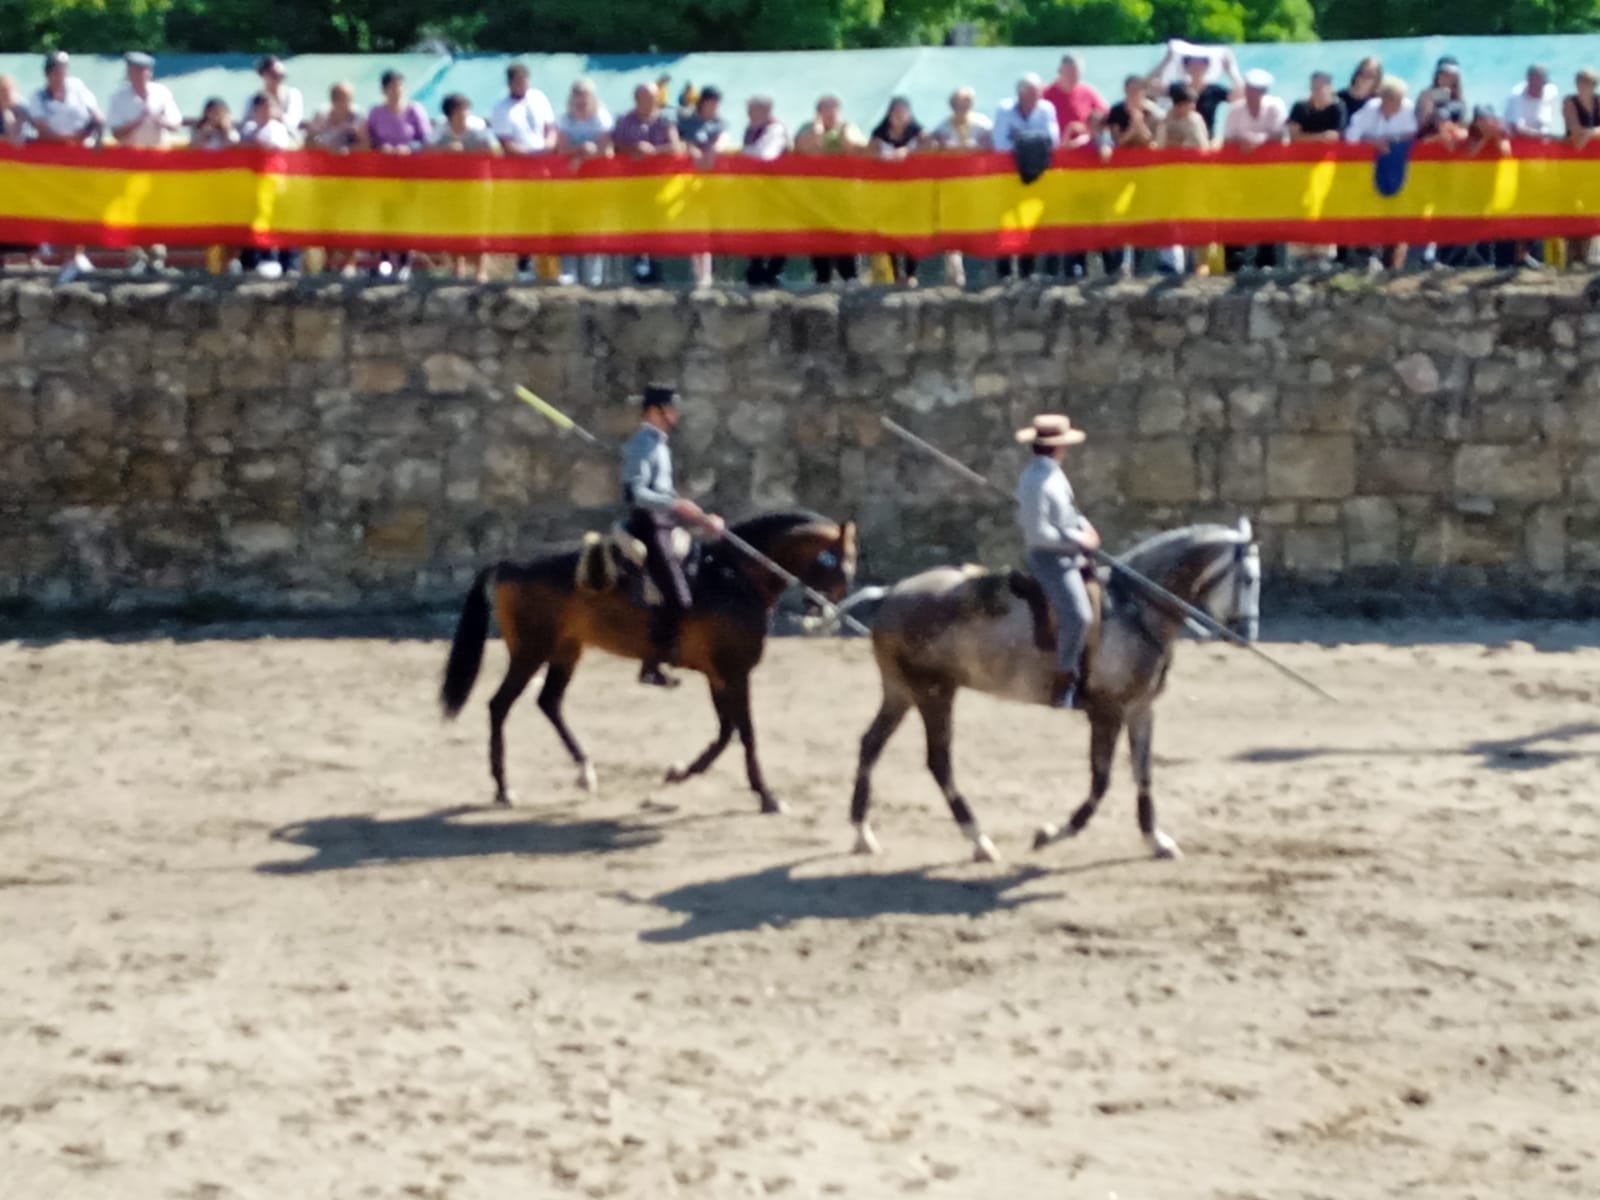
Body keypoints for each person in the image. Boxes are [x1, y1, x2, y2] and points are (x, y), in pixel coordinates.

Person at [620, 385, 725, 688]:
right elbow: (636, 493)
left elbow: (664, 494)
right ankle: (651, 666)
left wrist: (702, 518)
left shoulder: (659, 445)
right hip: (649, 525)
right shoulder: (642, 444)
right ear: (655, 411)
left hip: (665, 520)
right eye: (671, 408)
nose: (676, 415)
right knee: (678, 598)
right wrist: (675, 504)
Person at [1014, 414, 1099, 710]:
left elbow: (1070, 513)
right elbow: (1038, 533)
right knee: (1079, 616)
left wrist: (1085, 527)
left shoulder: (1053, 473)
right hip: (1049, 559)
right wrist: (1078, 540)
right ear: (1060, 446)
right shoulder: (1034, 479)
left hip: (1069, 553)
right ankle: (1064, 681)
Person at [31, 52, 103, 282]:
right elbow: (42, 130)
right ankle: (64, 259)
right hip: (53, 164)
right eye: (58, 69)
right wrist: (70, 141)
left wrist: (95, 135)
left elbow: (97, 116)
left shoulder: (78, 88)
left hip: (80, 160)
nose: (62, 74)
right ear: (48, 73)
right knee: (58, 208)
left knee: (79, 207)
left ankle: (78, 256)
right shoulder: (38, 97)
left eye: (65, 69)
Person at [493, 63, 557, 282]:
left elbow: (550, 127)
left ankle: (550, 268)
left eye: (525, 80)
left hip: (544, 166)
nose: (523, 84)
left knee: (547, 215)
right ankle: (524, 265)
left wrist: (548, 146)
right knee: (524, 217)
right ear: (510, 83)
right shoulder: (501, 108)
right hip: (520, 169)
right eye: (518, 80)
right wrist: (530, 157)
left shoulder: (539, 98)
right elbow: (505, 142)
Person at [613, 83, 681, 284]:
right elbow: (615, 144)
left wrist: (653, 150)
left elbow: (675, 147)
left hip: (658, 184)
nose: (650, 102)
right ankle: (639, 266)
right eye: (645, 98)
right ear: (636, 99)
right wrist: (633, 148)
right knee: (635, 224)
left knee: (657, 226)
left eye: (653, 97)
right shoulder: (625, 120)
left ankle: (656, 268)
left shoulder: (665, 119)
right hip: (632, 184)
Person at [795, 95, 866, 285]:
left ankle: (851, 276)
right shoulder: (806, 129)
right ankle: (822, 277)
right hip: (817, 194)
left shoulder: (847, 127)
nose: (831, 113)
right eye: (826, 109)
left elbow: (854, 147)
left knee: (845, 236)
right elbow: (805, 148)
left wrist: (842, 133)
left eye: (834, 108)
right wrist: (818, 131)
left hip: (843, 194)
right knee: (819, 237)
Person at [931, 87, 993, 287]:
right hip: (952, 188)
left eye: (966, 102)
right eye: (958, 103)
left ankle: (983, 275)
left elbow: (993, 148)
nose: (962, 106)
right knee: (952, 232)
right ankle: (955, 275)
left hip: (977, 187)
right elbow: (934, 150)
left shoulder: (983, 125)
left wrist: (962, 150)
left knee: (978, 229)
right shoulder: (942, 127)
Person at [555, 78, 614, 287]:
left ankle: (594, 276)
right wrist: (582, 152)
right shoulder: (564, 119)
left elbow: (605, 148)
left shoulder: (602, 118)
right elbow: (561, 148)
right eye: (577, 95)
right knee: (569, 226)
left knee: (594, 227)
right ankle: (568, 272)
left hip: (595, 183)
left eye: (585, 96)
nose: (581, 100)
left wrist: (581, 154)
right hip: (570, 183)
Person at [869, 96, 926, 286]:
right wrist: (884, 159)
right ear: (889, 114)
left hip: (912, 191)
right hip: (887, 192)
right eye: (896, 112)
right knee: (890, 234)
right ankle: (895, 273)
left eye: (903, 112)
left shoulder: (918, 133)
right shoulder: (879, 134)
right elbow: (870, 155)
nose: (899, 116)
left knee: (912, 233)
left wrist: (908, 153)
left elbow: (932, 147)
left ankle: (911, 273)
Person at [678, 86, 731, 287]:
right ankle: (698, 273)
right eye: (710, 102)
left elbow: (723, 141)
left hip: (714, 183)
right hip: (688, 182)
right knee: (695, 225)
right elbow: (683, 141)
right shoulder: (688, 122)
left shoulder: (721, 123)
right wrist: (693, 151)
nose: (714, 106)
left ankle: (708, 274)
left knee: (709, 227)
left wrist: (712, 152)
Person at [1146, 42, 1242, 140]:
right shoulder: (1179, 88)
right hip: (1180, 140)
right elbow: (1147, 87)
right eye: (1192, 64)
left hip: (1206, 141)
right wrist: (1165, 62)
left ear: (1207, 67)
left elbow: (1241, 95)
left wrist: (1231, 71)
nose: (1196, 67)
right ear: (1186, 67)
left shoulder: (1214, 90)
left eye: (1200, 64)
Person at [741, 96, 789, 287]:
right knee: (755, 230)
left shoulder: (775, 129)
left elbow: (765, 155)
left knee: (778, 231)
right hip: (756, 189)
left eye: (752, 110)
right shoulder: (751, 129)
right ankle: (756, 268)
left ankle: (774, 271)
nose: (748, 114)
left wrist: (741, 154)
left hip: (777, 189)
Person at [1042, 54, 1106, 145]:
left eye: (1076, 73)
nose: (1073, 76)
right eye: (1069, 73)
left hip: (1085, 149)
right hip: (1055, 152)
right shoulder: (1045, 94)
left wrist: (1088, 132)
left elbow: (1106, 117)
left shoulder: (1088, 92)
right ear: (1060, 71)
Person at [247, 56, 304, 141]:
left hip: (288, 141)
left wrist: (276, 115)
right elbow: (246, 123)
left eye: (282, 75)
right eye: (274, 75)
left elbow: (294, 122)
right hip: (259, 141)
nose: (279, 78)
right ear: (263, 74)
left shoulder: (293, 95)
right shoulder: (253, 98)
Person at [1416, 56, 1467, 146]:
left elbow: (1460, 123)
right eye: (1444, 74)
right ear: (1437, 75)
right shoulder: (1426, 94)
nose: (1447, 78)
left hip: (1452, 143)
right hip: (1428, 143)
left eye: (1452, 76)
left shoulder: (1459, 99)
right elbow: (1421, 125)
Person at [305, 82, 367, 152]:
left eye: (348, 99)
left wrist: (347, 150)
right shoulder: (321, 115)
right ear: (332, 101)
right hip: (322, 157)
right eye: (340, 99)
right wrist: (325, 148)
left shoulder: (358, 117)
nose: (345, 103)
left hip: (350, 159)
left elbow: (366, 144)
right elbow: (308, 141)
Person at [1287, 71, 1346, 142]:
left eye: (1320, 87)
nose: (1315, 91)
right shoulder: (1300, 106)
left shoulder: (1338, 107)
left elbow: (1335, 136)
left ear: (1330, 88)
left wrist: (1304, 137)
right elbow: (1293, 137)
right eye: (1313, 87)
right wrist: (1321, 137)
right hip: (1301, 150)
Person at [1505, 64, 1559, 140]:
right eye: (1532, 80)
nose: (1535, 85)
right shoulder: (1517, 95)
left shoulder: (1551, 91)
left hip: (1541, 137)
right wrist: (1543, 136)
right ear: (1528, 80)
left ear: (1544, 83)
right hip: (1517, 139)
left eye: (1539, 81)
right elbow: (1517, 129)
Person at [1338, 57, 1383, 132]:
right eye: (1361, 73)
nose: (1364, 78)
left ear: (1377, 79)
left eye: (1369, 75)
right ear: (1356, 74)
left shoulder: (1380, 102)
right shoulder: (1338, 99)